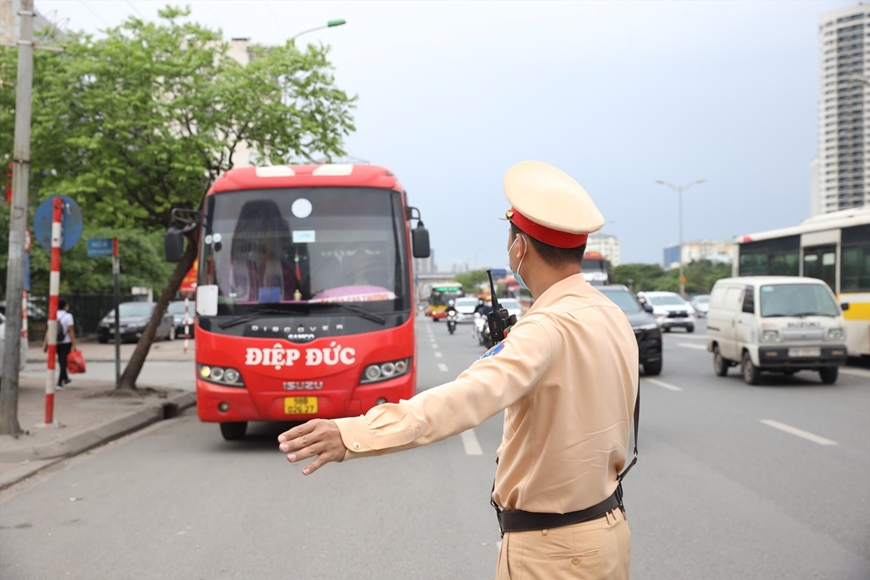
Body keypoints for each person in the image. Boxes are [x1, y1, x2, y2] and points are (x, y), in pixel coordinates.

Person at [277, 160, 639, 579]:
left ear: (518, 247)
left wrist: (352, 434)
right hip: (606, 533)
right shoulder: (610, 313)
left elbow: (462, 399)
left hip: (553, 553)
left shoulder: (544, 329)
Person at [43, 298, 77, 389]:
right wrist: (74, 344)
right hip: (66, 341)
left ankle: (65, 378)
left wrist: (45, 344)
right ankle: (60, 382)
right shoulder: (68, 316)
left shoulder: (52, 315)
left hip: (55, 342)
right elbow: (70, 331)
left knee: (61, 361)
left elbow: (49, 331)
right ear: (65, 306)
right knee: (63, 361)